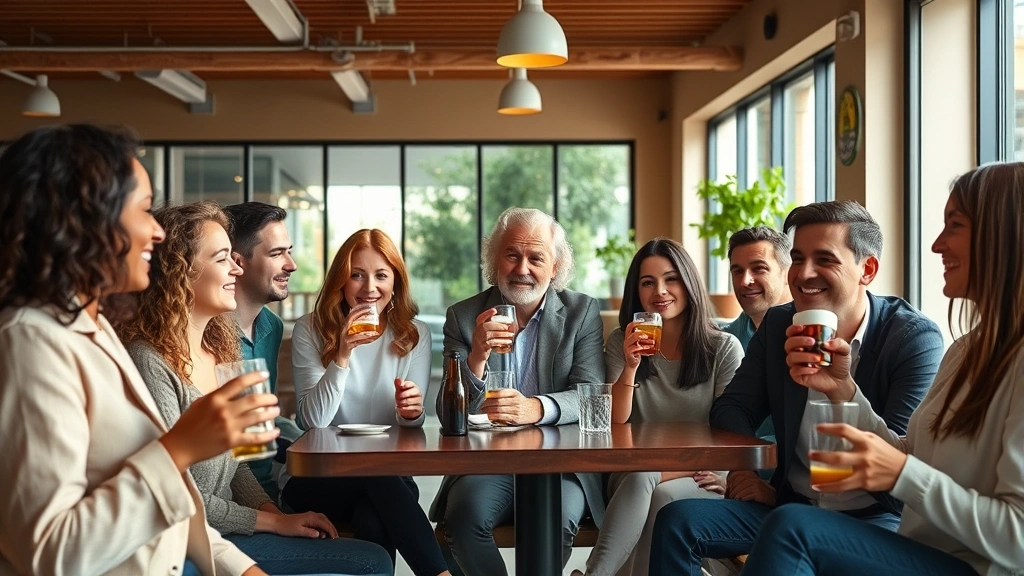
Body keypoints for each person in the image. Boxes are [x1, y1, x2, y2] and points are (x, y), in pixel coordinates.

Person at [0, 125, 274, 575]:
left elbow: (172, 504)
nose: (157, 232)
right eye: (144, 211)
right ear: (84, 219)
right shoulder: (30, 342)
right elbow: (51, 555)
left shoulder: (94, 328)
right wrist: (180, 448)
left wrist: (240, 568)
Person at [743, 163, 1024, 574]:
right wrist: (842, 390)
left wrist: (904, 474)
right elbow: (909, 457)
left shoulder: (944, 343)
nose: (936, 245)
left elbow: (1016, 537)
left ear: (1003, 236)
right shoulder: (968, 349)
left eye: (955, 226)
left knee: (793, 529)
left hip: (974, 567)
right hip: (922, 552)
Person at [648, 200, 945, 575]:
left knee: (794, 534)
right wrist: (745, 473)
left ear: (866, 269)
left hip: (874, 518)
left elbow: (898, 470)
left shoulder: (911, 339)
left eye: (825, 259)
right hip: (787, 506)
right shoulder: (778, 324)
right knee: (678, 519)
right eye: (799, 258)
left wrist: (843, 390)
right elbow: (731, 408)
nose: (804, 274)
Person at [116, 202, 393, 576]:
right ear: (180, 272)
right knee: (369, 559)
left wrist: (275, 515)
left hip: (228, 524)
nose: (236, 268)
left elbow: (237, 464)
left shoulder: (221, 351)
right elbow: (180, 494)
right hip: (186, 538)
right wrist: (273, 523)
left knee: (373, 535)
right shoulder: (149, 360)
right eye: (223, 259)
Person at [430, 207, 607, 576]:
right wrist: (477, 355)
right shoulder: (463, 316)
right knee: (463, 520)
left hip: (561, 463)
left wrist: (535, 409)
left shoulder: (582, 312)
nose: (522, 268)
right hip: (487, 463)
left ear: (555, 266)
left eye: (535, 257)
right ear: (494, 261)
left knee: (555, 525)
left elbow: (588, 393)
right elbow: (450, 417)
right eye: (512, 255)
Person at [572, 239, 743, 576]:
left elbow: (728, 434)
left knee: (660, 495)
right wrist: (631, 365)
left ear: (688, 283)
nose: (660, 291)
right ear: (637, 292)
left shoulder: (723, 348)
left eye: (671, 279)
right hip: (632, 471)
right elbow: (615, 422)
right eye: (648, 282)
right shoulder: (621, 342)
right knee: (644, 478)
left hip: (703, 473)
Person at [286, 229, 450, 576]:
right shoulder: (310, 329)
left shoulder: (413, 334)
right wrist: (343, 354)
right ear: (340, 282)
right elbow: (313, 421)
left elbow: (410, 423)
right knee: (378, 476)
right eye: (357, 275)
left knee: (374, 519)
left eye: (381, 275)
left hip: (384, 482)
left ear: (395, 283)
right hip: (319, 478)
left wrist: (413, 411)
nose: (369, 287)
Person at [223, 201, 303, 502]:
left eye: (289, 250)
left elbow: (263, 425)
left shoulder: (272, 326)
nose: (291, 264)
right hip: (234, 504)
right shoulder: (205, 334)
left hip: (272, 490)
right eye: (276, 253)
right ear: (237, 263)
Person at [721, 225, 792, 350]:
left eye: (759, 268)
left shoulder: (817, 334)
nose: (744, 281)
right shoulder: (720, 344)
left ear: (788, 274)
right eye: (738, 271)